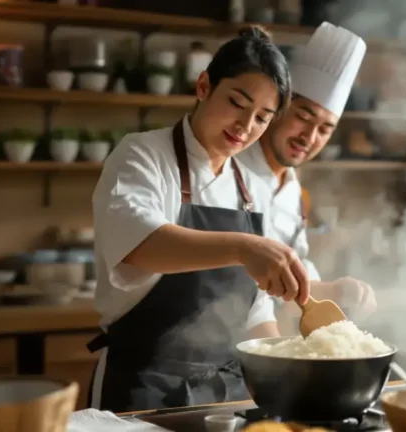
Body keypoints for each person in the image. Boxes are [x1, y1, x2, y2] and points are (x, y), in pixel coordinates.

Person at [87, 26, 309, 413]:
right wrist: (244, 247)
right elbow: (140, 244)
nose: (245, 126)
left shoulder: (252, 190)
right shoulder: (142, 156)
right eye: (237, 102)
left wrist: (276, 371)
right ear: (204, 85)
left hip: (228, 392)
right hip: (143, 387)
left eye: (262, 118)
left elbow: (255, 312)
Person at [237, 23, 377, 333]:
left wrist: (338, 291)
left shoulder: (292, 188)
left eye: (325, 129)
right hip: (217, 344)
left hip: (259, 342)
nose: (309, 137)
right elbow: (238, 287)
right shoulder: (231, 170)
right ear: (277, 107)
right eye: (303, 116)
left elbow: (290, 286)